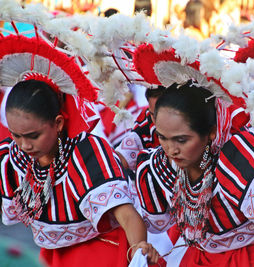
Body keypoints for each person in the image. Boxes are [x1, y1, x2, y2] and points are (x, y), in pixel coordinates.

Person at [135, 81, 254, 266]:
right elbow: (147, 220)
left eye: (181, 140)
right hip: (200, 258)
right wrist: (140, 247)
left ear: (211, 132)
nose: (171, 149)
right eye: (162, 137)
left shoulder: (233, 157)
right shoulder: (158, 165)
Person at [0, 80, 159, 267]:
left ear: (58, 123)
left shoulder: (85, 153)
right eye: (16, 135)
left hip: (103, 252)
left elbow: (126, 214)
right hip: (55, 255)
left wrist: (138, 249)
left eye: (34, 136)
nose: (25, 145)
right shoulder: (12, 156)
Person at [116, 85, 166, 171]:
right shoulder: (145, 124)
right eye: (153, 114)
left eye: (164, 114)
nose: (158, 121)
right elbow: (119, 159)